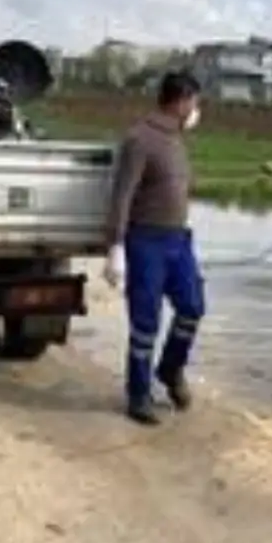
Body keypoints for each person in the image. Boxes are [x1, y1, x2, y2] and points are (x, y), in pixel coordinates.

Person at [102, 71, 205, 426]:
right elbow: (122, 195)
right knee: (145, 321)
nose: (197, 110)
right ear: (181, 101)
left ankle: (171, 369)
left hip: (178, 240)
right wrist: (115, 246)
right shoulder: (140, 139)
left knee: (192, 307)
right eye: (195, 102)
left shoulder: (176, 139)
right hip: (146, 241)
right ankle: (138, 394)